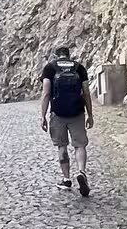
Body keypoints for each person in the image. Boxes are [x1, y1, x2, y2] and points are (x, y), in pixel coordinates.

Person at [40, 43, 93, 195]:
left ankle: (66, 179)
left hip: (58, 114)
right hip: (77, 112)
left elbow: (46, 93)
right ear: (69, 55)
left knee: (61, 146)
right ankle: (81, 172)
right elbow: (86, 93)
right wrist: (90, 114)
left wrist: (42, 116)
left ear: (56, 55)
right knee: (80, 145)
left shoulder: (50, 68)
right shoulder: (79, 68)